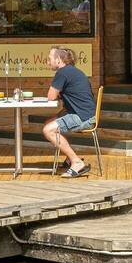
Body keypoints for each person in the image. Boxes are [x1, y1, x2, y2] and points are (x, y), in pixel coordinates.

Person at [42, 46, 96, 178]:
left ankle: (76, 162)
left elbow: (51, 97)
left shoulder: (62, 73)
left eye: (50, 58)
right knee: (49, 123)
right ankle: (69, 158)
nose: (48, 62)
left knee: (48, 130)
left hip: (83, 117)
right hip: (86, 114)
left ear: (58, 60)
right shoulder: (72, 71)